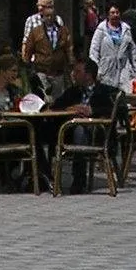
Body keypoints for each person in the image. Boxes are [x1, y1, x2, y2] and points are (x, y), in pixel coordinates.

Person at [39, 56, 116, 193]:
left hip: (95, 132)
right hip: (68, 129)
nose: (73, 74)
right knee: (38, 130)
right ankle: (43, 176)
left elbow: (116, 110)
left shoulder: (105, 91)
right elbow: (56, 106)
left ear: (89, 75)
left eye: (78, 71)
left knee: (79, 131)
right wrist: (71, 109)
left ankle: (79, 180)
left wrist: (92, 111)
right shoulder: (73, 91)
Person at [21, 0, 71, 98]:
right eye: (38, 5)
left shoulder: (59, 22)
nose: (40, 8)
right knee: (42, 97)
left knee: (58, 98)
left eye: (43, 6)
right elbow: (26, 43)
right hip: (40, 67)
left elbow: (67, 46)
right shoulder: (31, 21)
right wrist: (26, 62)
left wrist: (70, 63)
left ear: (50, 7)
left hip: (57, 70)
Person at [88, 3, 136, 94]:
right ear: (108, 15)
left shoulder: (126, 29)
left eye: (117, 12)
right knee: (108, 98)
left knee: (125, 97)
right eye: (112, 13)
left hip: (124, 69)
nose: (115, 15)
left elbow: (133, 52)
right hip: (106, 71)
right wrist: (96, 71)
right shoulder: (101, 30)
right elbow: (94, 51)